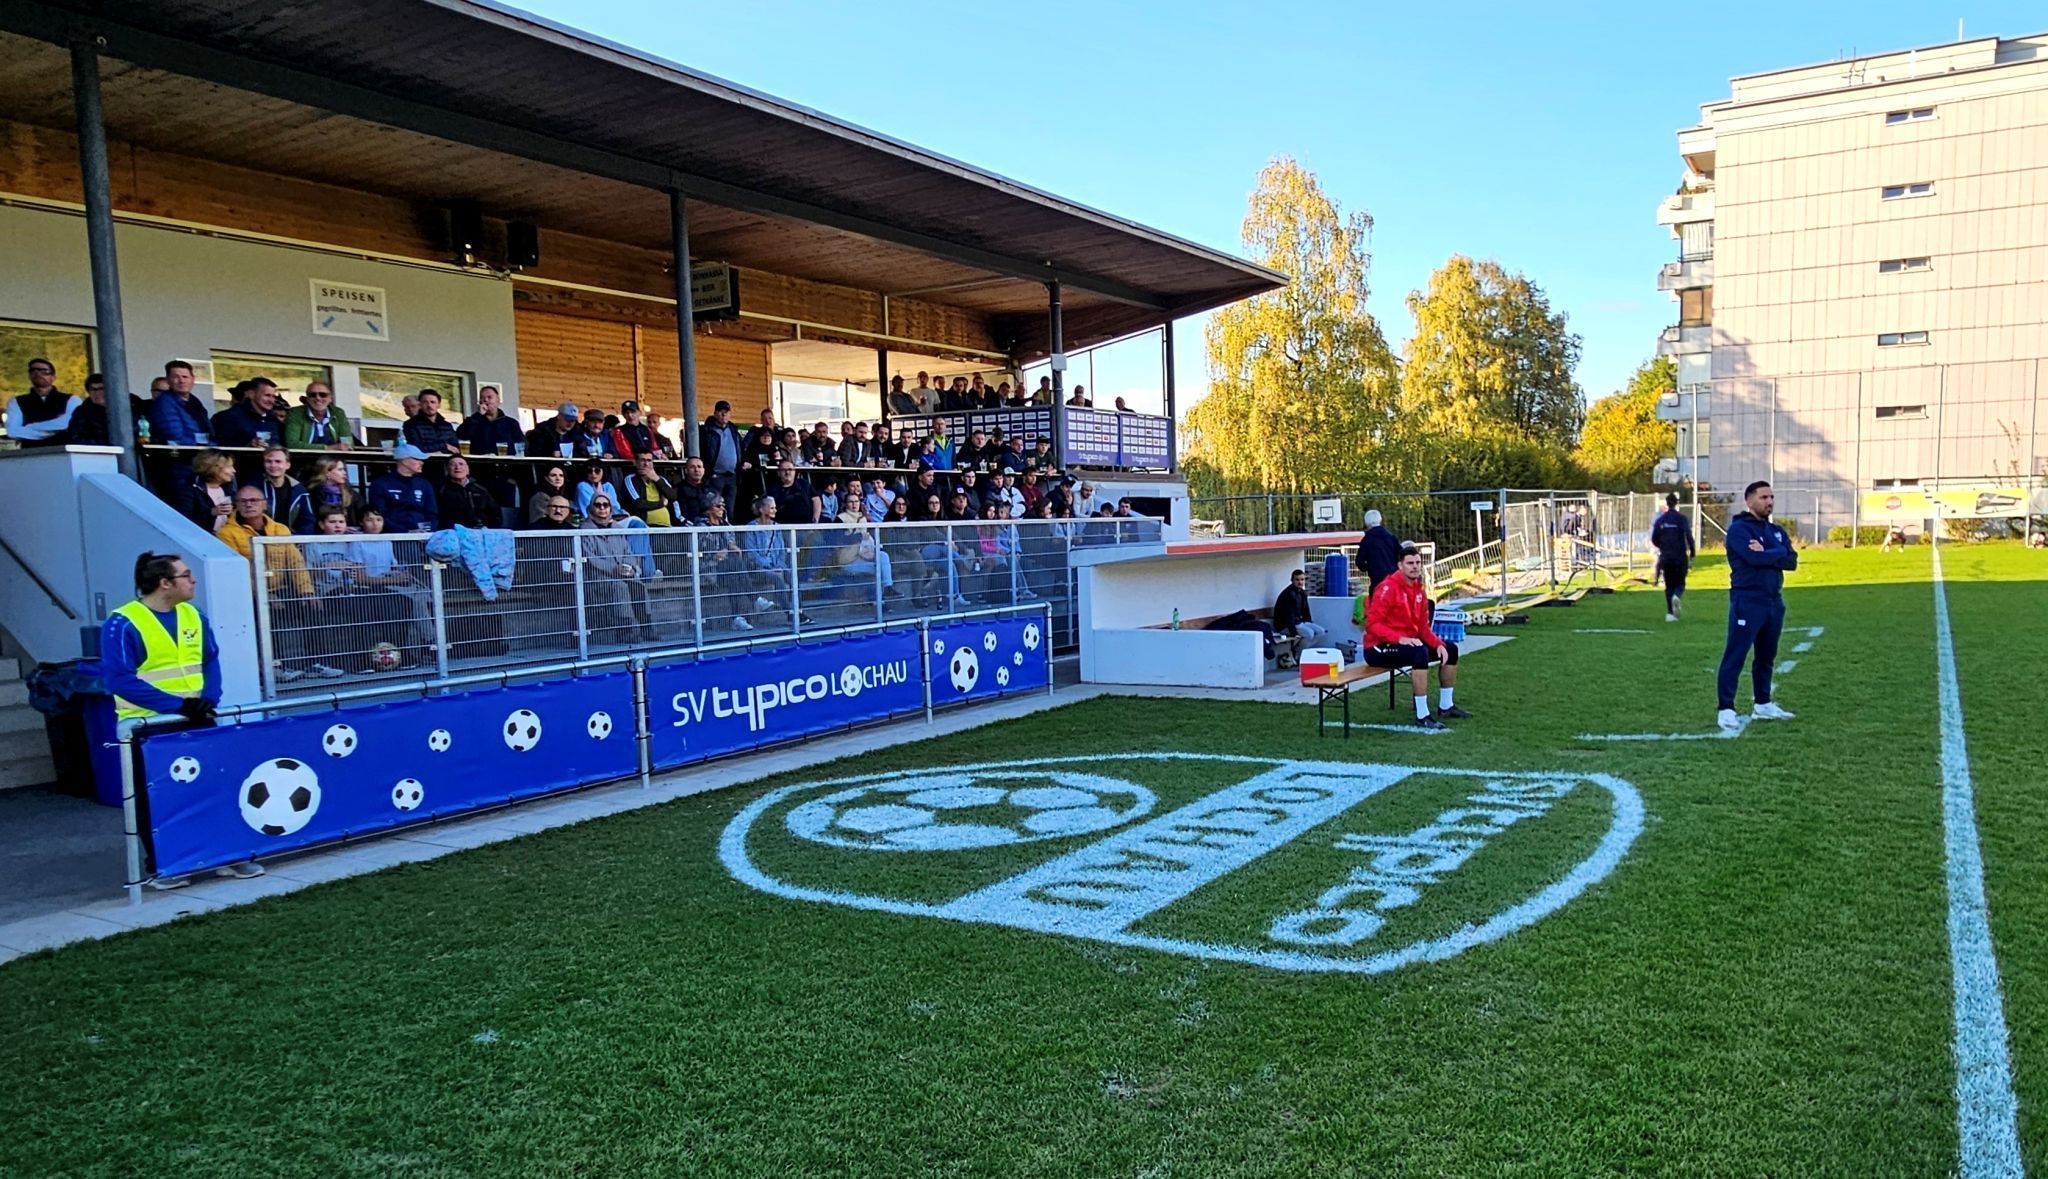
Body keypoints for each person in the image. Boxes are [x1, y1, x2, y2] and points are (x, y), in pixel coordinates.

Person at [104, 553, 265, 884]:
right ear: (165, 583)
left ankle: (227, 853)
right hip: (147, 725)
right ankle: (165, 865)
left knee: (216, 785)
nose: (193, 581)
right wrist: (177, 705)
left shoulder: (193, 615)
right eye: (186, 575)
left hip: (196, 717)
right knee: (157, 797)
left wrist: (210, 698)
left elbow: (210, 661)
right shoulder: (123, 623)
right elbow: (120, 679)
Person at [220, 484, 343, 681]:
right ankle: (275, 666)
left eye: (253, 501)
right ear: (236, 505)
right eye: (243, 501)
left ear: (264, 505)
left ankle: (315, 663)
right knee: (267, 615)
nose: (248, 505)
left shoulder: (280, 529)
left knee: (312, 608)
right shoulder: (227, 533)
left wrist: (307, 592)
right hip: (248, 594)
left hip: (279, 588)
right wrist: (262, 595)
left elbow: (296, 562)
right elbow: (238, 570)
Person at [1717, 480, 1799, 730]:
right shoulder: (1740, 529)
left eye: (1771, 497)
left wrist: (1769, 551)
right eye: (1764, 497)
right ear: (1749, 500)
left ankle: (1763, 704)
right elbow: (1753, 558)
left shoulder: (1776, 530)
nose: (1769, 502)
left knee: (1766, 656)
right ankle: (1726, 709)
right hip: (1747, 600)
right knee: (1736, 654)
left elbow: (1792, 561)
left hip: (1774, 601)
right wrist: (1776, 553)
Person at [1364, 544, 1468, 730]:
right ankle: (1422, 714)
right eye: (1410, 563)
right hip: (1377, 648)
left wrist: (1438, 644)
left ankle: (1446, 706)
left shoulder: (1418, 590)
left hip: (1405, 644)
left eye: (1418, 562)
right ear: (1400, 565)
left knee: (1450, 649)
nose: (1415, 566)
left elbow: (1422, 628)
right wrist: (1399, 639)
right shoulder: (1387, 588)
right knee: (1419, 653)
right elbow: (1373, 624)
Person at [580, 495, 656, 644]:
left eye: (605, 505)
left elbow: (628, 552)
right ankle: (625, 630)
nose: (602, 508)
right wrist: (614, 569)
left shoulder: (617, 528)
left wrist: (630, 568)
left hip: (621, 574)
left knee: (638, 586)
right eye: (598, 505)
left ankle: (646, 627)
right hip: (598, 577)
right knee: (620, 587)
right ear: (591, 508)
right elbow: (589, 558)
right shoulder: (584, 530)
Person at [6, 357, 81, 447]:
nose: (37, 374)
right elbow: (13, 432)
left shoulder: (71, 400)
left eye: (44, 371)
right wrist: (56, 428)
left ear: (53, 377)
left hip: (63, 453)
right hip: (30, 454)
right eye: (33, 370)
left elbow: (68, 423)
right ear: (29, 376)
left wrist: (29, 428)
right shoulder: (16, 402)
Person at [366, 444, 439, 533]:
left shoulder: (424, 484)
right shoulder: (380, 484)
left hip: (423, 538)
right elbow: (379, 515)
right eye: (417, 459)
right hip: (393, 538)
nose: (422, 462)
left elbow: (432, 513)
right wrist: (406, 532)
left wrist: (428, 532)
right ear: (405, 461)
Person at [1649, 493, 1696, 622]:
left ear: (1666, 503)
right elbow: (1689, 536)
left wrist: (1663, 546)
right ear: (1677, 503)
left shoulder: (1661, 520)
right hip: (1680, 556)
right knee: (1680, 583)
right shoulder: (1682, 519)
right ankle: (1677, 596)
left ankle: (1670, 613)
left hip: (1666, 557)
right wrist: (1692, 552)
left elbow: (1654, 538)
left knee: (1669, 585)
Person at [699, 399, 744, 508]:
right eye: (720, 411)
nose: (724, 414)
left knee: (729, 509)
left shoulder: (734, 431)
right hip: (714, 475)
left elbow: (741, 449)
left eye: (726, 411)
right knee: (714, 506)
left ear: (730, 414)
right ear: (715, 413)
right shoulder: (707, 431)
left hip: (732, 476)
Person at [292, 456, 354, 534]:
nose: (344, 473)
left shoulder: (349, 492)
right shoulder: (311, 493)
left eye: (344, 469)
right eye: (340, 470)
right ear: (327, 472)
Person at [456, 383, 522, 455]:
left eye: (489, 397)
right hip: (478, 462)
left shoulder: (511, 423)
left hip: (505, 463)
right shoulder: (473, 420)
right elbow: (461, 436)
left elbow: (521, 445)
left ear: (498, 400)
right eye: (482, 398)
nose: (485, 400)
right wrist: (478, 416)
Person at [246, 444, 303, 523]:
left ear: (288, 465)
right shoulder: (252, 488)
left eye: (278, 461)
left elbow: (307, 521)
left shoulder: (299, 489)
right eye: (269, 461)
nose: (273, 465)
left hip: (292, 534)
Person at [438, 455, 499, 529]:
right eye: (453, 465)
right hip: (454, 533)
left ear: (468, 469)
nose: (458, 467)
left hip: (482, 532)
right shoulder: (441, 491)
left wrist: (488, 528)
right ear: (447, 470)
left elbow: (495, 513)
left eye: (461, 464)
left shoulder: (481, 490)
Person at [1273, 569, 1328, 650]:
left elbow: (1306, 610)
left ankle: (1302, 649)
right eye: (1297, 580)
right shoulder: (1288, 594)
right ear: (1292, 580)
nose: (1300, 582)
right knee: (1309, 634)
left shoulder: (1302, 593)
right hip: (1285, 626)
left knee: (1321, 632)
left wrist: (1308, 622)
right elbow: (1288, 616)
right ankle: (1299, 655)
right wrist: (1293, 633)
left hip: (1299, 622)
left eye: (1302, 579)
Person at [185, 449, 238, 533]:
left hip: (228, 538)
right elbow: (183, 521)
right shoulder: (191, 490)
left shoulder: (229, 489)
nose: (234, 471)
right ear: (214, 468)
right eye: (229, 467)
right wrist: (211, 512)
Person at [402, 389, 461, 456]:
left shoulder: (447, 426)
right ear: (420, 405)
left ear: (438, 405)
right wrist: (444, 446)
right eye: (425, 402)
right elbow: (415, 448)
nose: (429, 406)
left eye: (432, 402)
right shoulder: (410, 424)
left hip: (446, 463)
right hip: (422, 463)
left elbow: (456, 449)